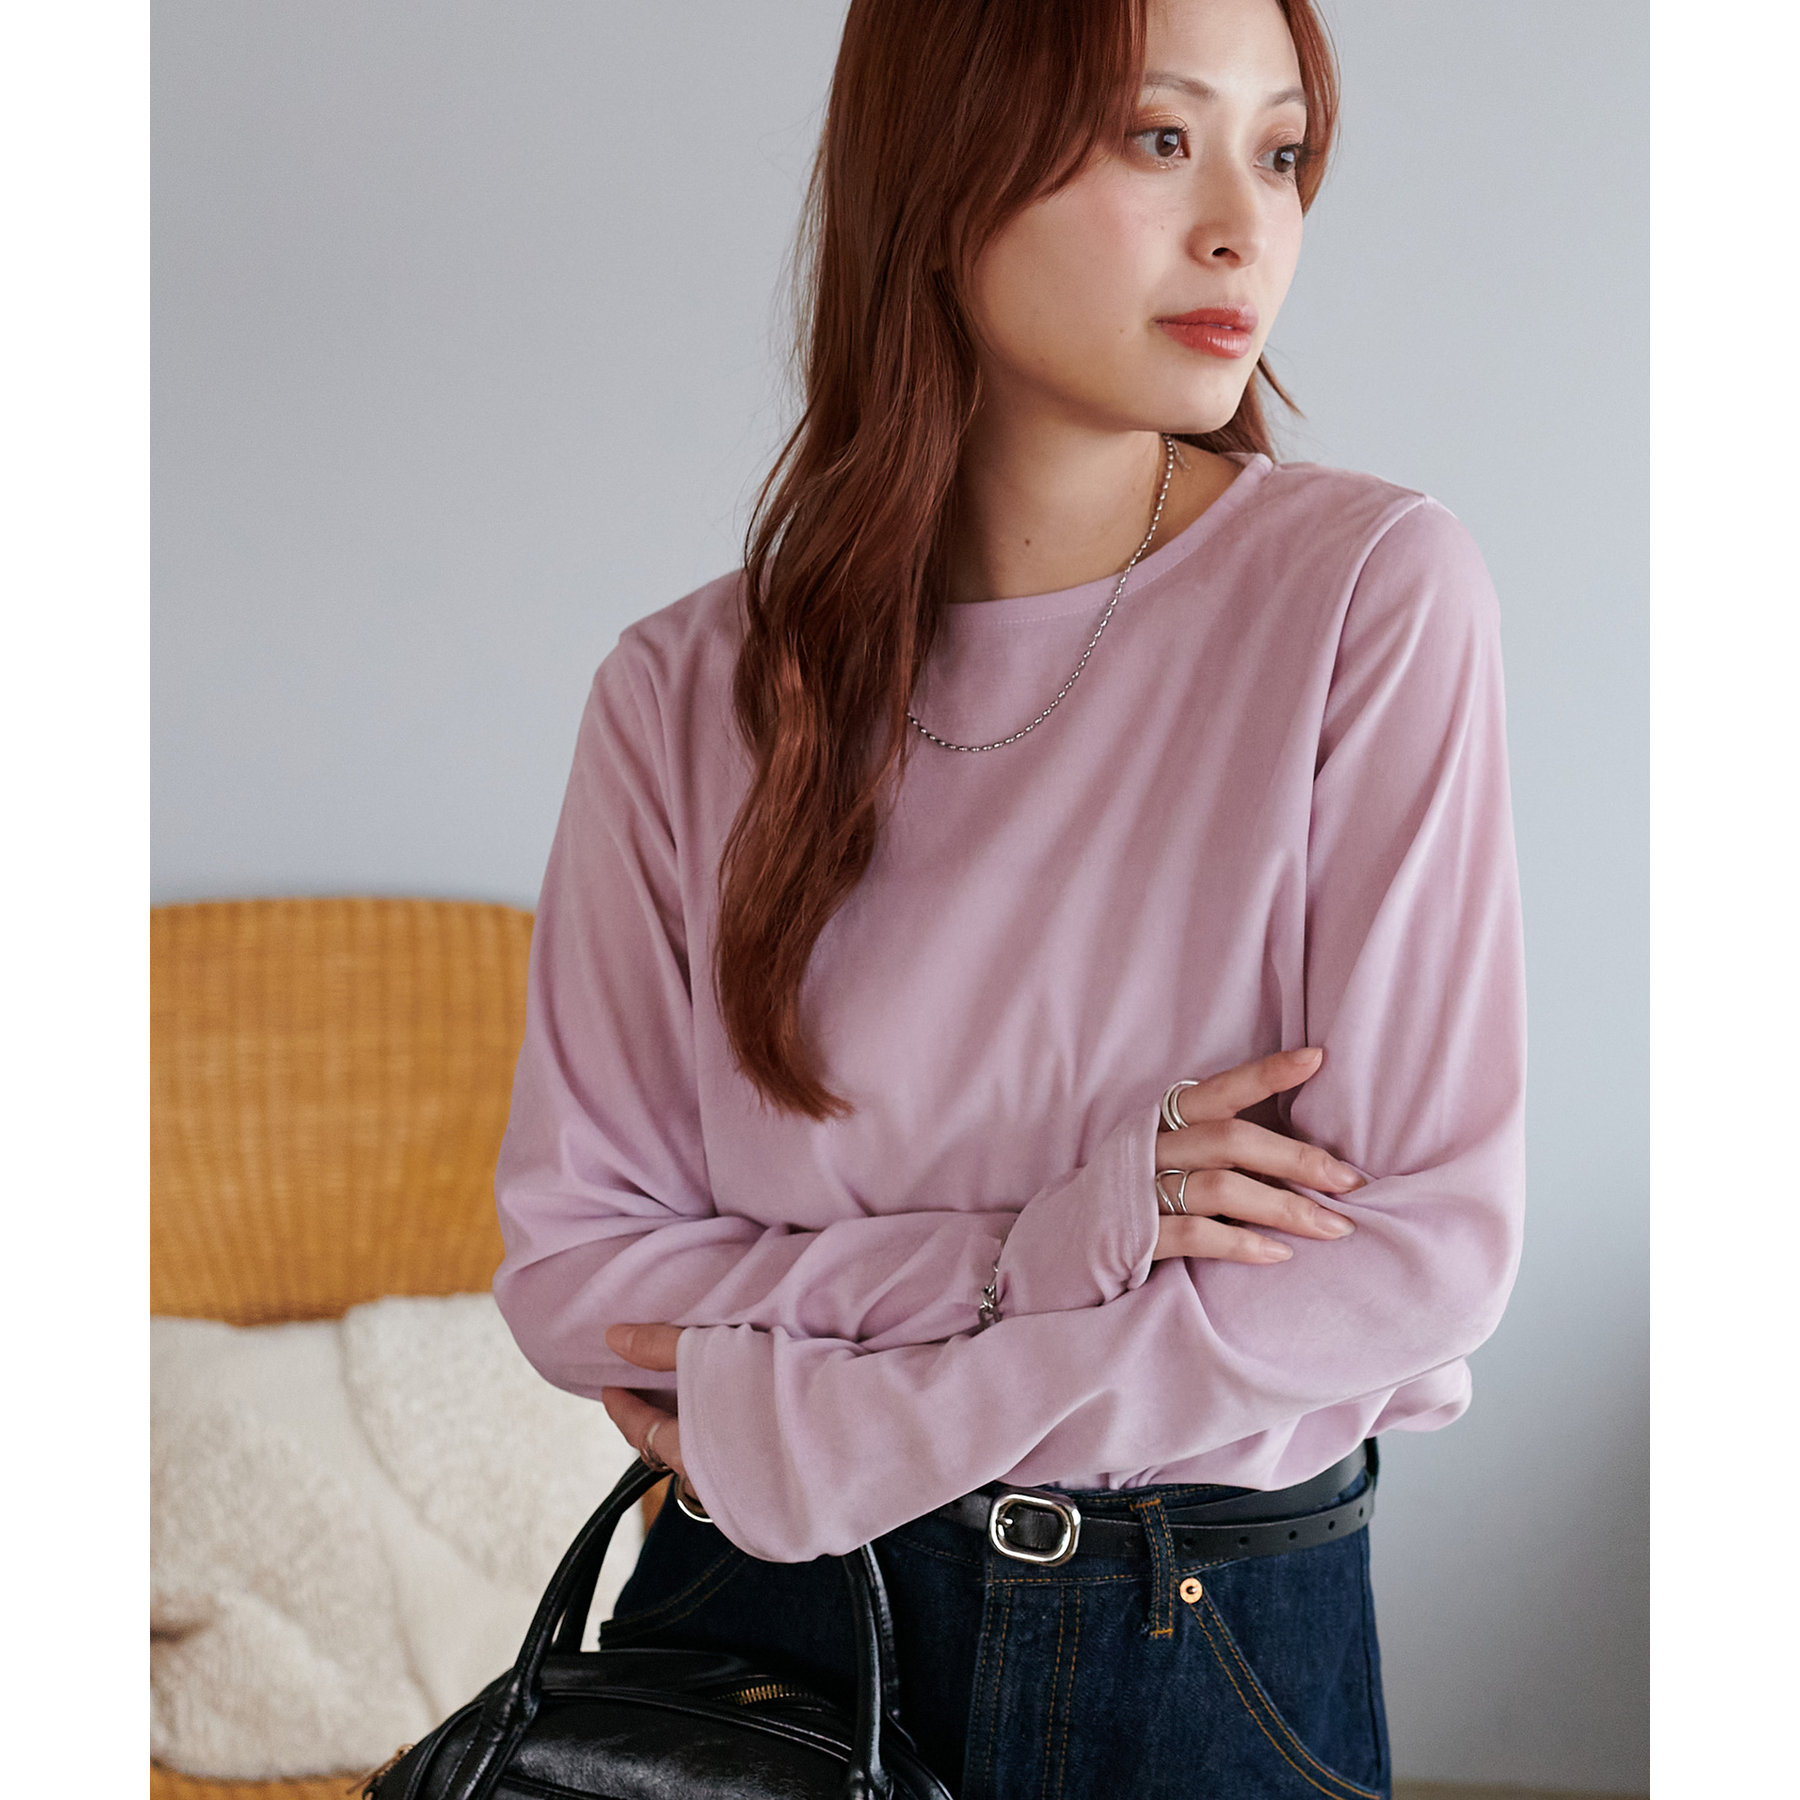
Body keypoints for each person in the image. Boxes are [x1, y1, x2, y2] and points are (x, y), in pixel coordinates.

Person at [492, 0, 1526, 1792]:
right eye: (1159, 138)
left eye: (1281, 153)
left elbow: (1416, 1252)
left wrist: (831, 1414)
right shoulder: (682, 694)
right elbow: (585, 1278)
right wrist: (1035, 1253)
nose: (1244, 227)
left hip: (1185, 1638)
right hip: (761, 1623)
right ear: (944, 163)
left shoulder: (1369, 595)